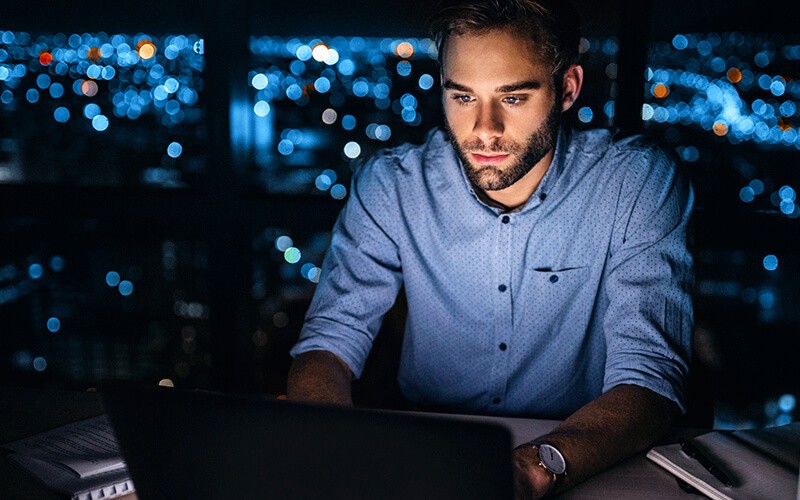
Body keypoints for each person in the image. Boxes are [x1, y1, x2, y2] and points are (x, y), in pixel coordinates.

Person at [286, 0, 694, 497]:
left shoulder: (634, 183)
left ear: (567, 89)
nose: (484, 129)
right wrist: (331, 448)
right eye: (463, 97)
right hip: (424, 452)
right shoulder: (391, 185)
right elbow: (329, 340)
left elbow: (651, 377)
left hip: (585, 461)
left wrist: (536, 467)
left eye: (514, 98)